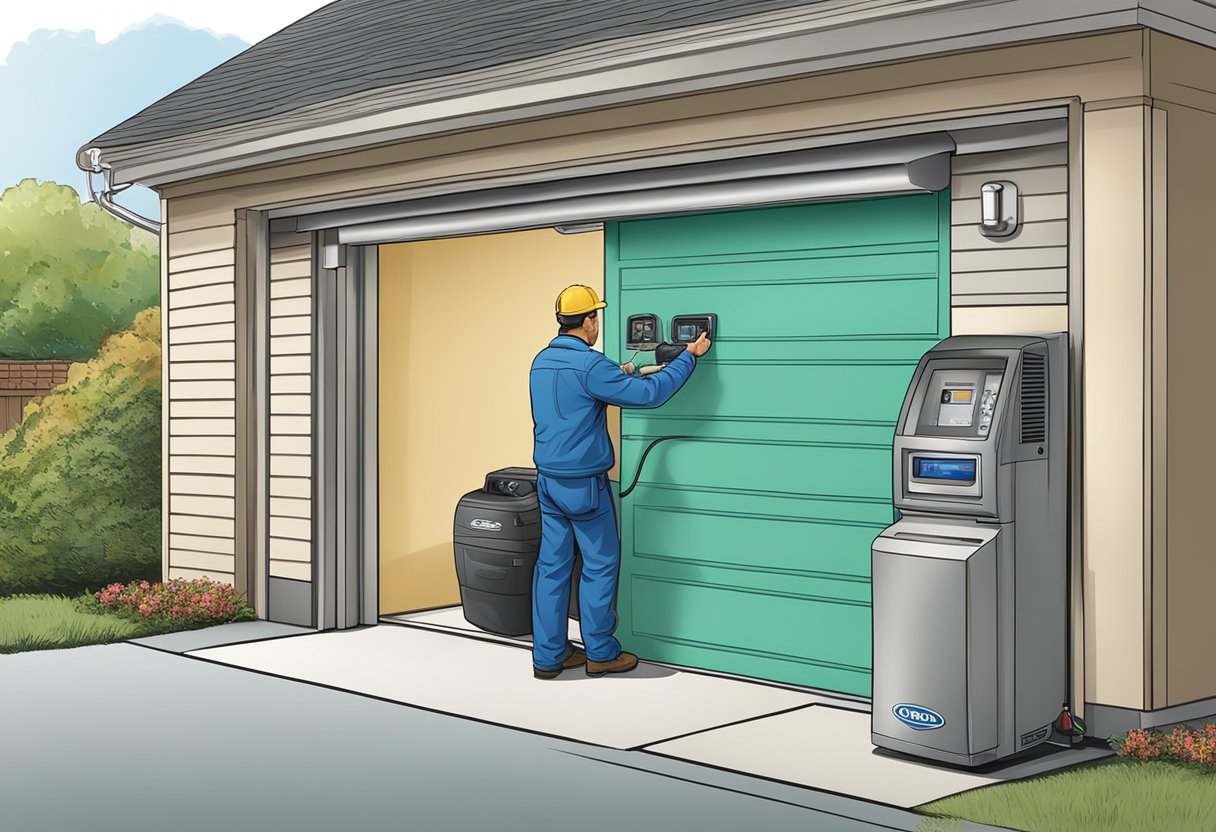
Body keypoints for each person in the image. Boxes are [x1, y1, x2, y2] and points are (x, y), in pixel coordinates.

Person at [528, 284, 711, 679]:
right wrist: (688, 359)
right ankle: (601, 652)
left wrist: (624, 370)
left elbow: (584, 390)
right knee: (599, 564)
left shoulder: (542, 361)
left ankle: (549, 656)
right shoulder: (590, 366)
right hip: (584, 485)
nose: (598, 324)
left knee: (552, 567)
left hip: (549, 481)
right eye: (597, 317)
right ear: (590, 321)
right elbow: (648, 396)